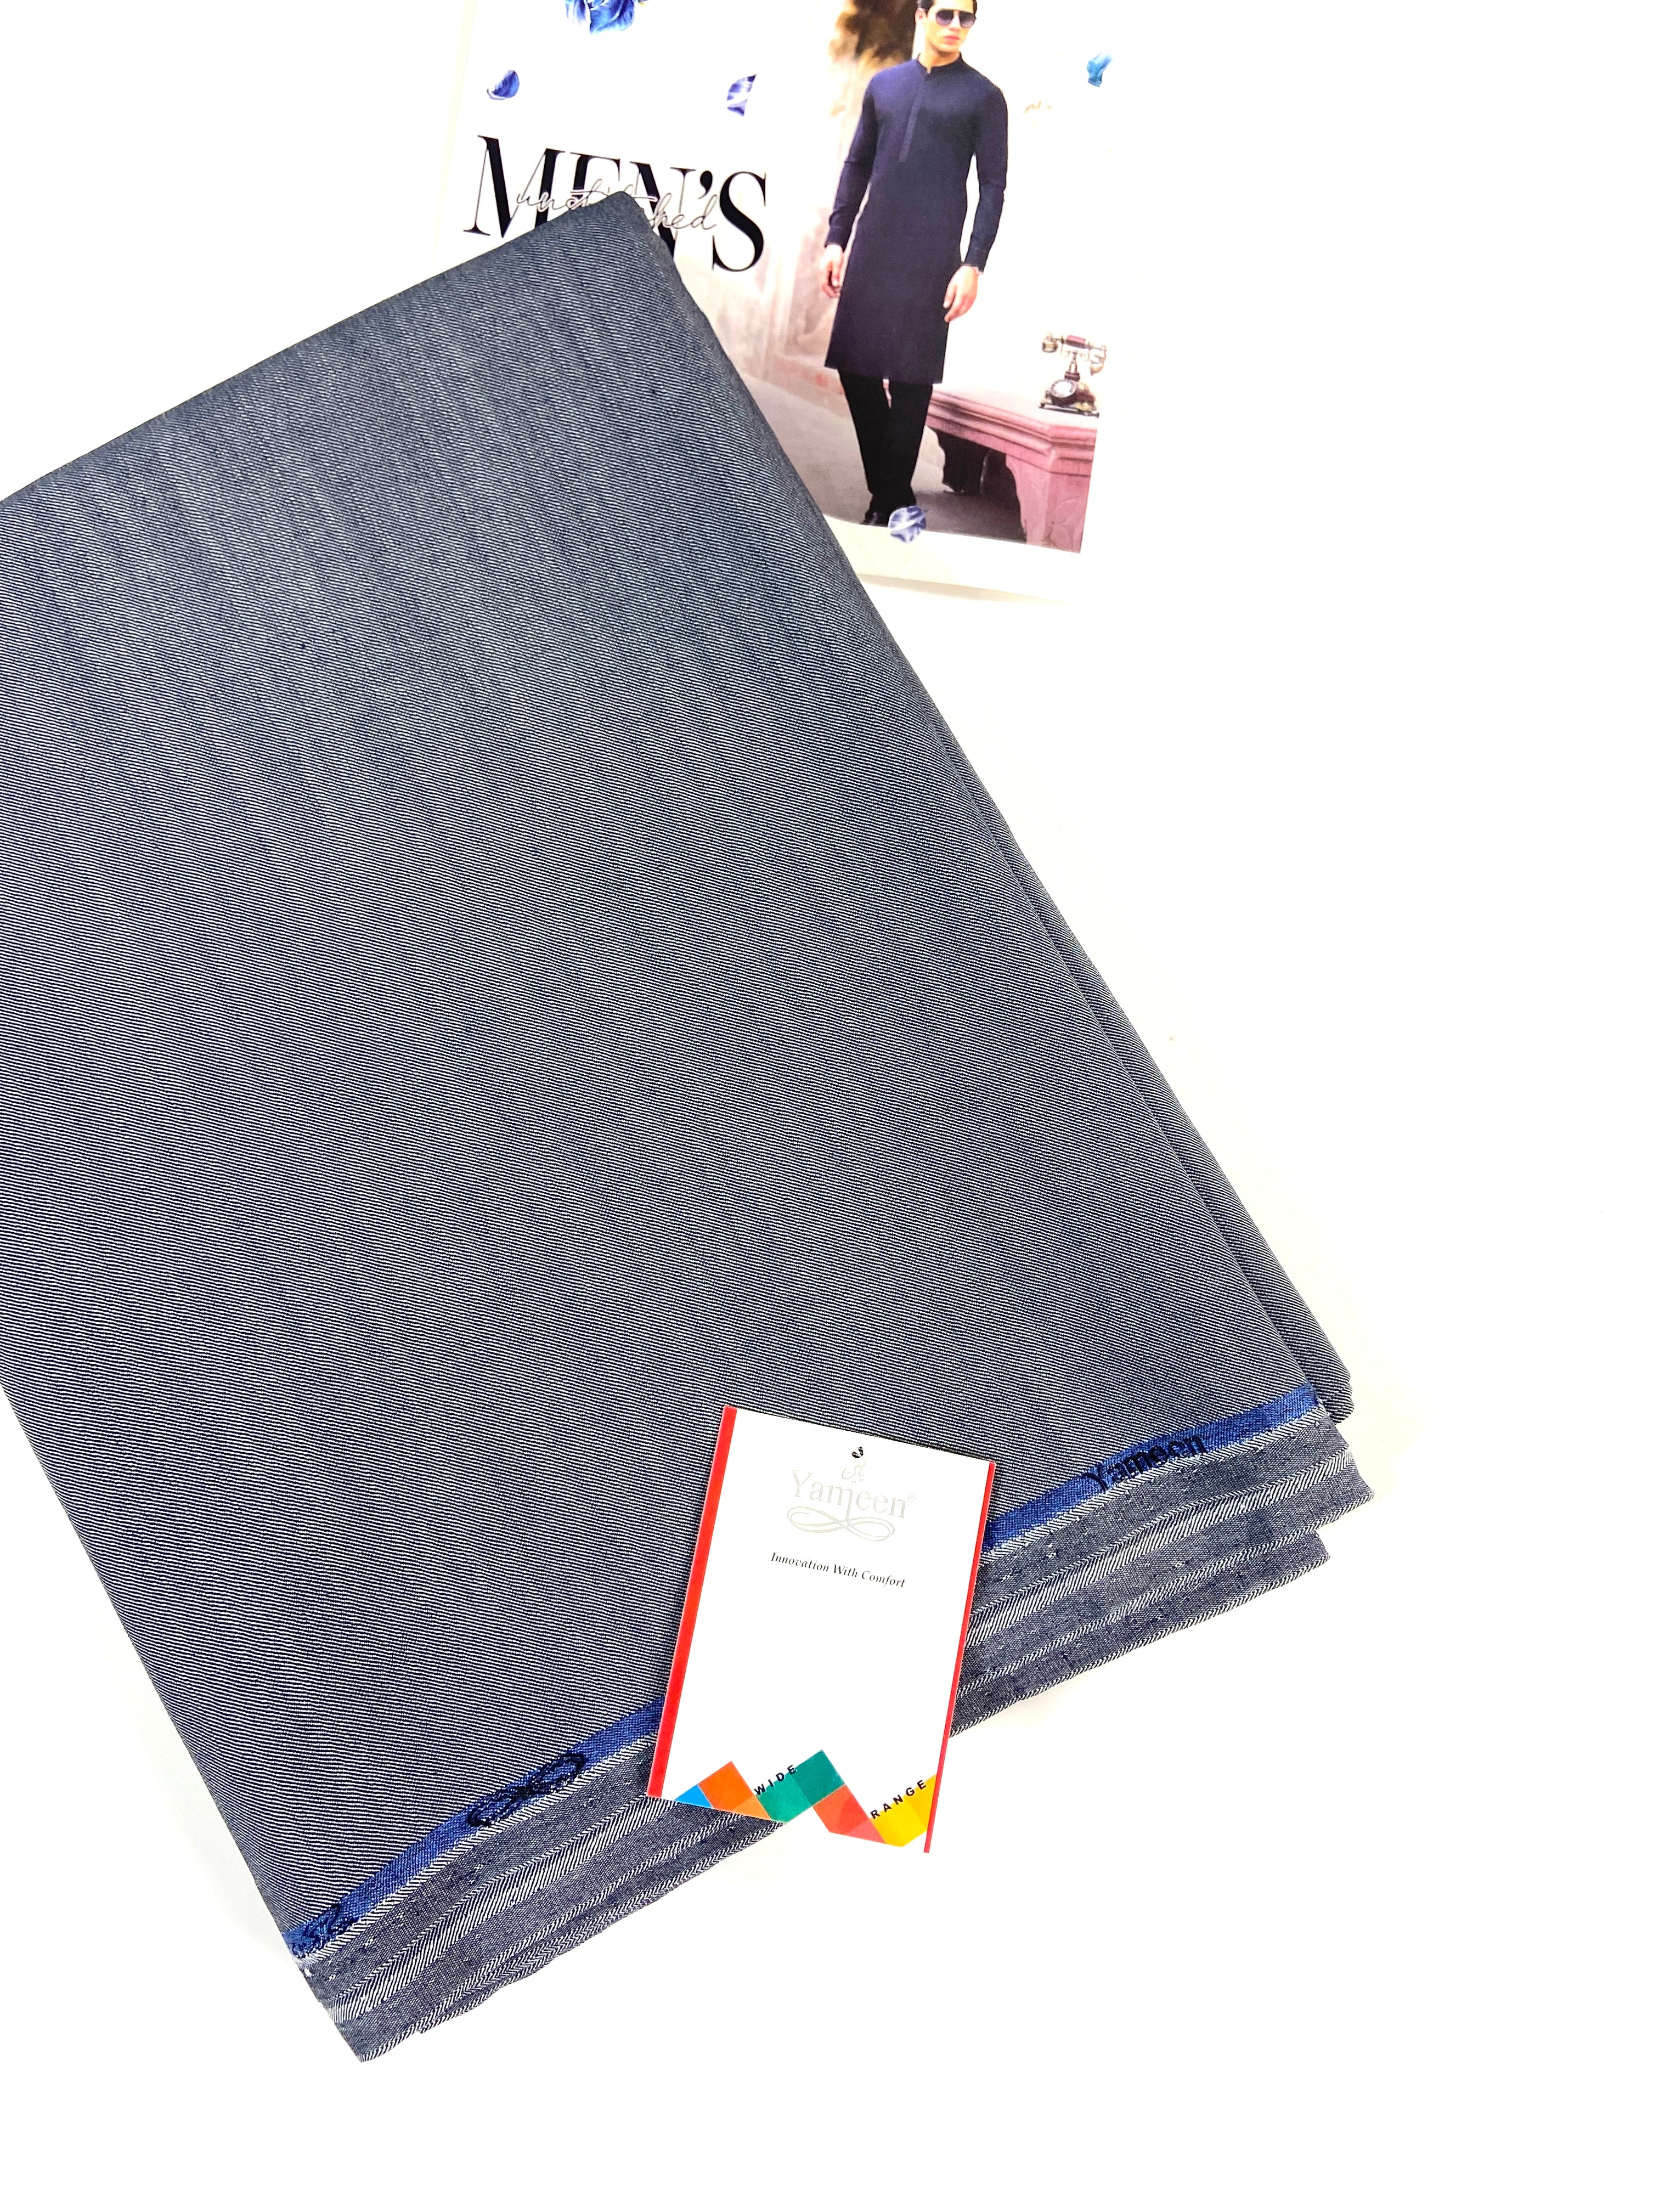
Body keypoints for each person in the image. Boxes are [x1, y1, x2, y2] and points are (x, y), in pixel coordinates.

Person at [820, 3, 1009, 529]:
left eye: (966, 19)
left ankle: (885, 510)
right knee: (856, 367)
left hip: (934, 251)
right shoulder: (885, 86)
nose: (955, 27)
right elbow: (857, 163)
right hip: (874, 242)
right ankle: (896, 493)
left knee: (910, 379)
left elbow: (993, 185)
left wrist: (974, 263)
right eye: (945, 14)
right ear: (922, 15)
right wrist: (837, 239)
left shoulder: (984, 97)